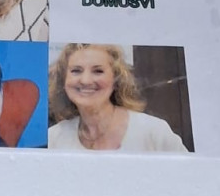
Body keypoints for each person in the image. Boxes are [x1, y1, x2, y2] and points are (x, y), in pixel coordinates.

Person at [47, 44, 189, 152]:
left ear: (116, 80)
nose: (86, 80)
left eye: (98, 71)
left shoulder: (154, 131)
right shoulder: (53, 138)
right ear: (63, 80)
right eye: (76, 71)